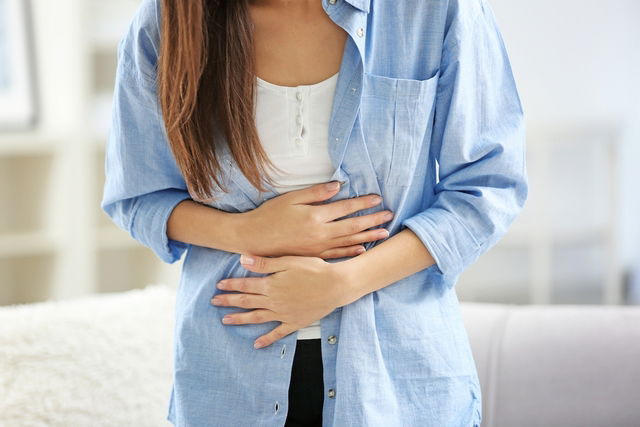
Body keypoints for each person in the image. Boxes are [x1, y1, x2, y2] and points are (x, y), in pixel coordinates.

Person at [101, 0, 527, 425]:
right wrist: (249, 232)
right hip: (228, 382)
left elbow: (486, 187)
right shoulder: (166, 22)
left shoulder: (432, 11)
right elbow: (138, 196)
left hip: (398, 383)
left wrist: (345, 282)